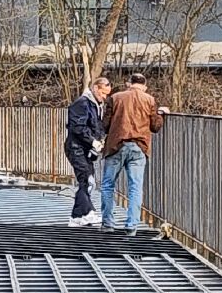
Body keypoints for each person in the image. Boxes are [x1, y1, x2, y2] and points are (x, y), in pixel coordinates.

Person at [100, 72, 167, 232]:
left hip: (116, 145)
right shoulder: (149, 100)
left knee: (108, 185)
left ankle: (108, 223)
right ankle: (132, 225)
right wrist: (161, 114)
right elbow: (155, 127)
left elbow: (105, 125)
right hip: (139, 147)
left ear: (128, 84)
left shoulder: (115, 97)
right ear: (144, 86)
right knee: (135, 187)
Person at [64, 75, 111, 226]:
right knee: (87, 179)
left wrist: (99, 140)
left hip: (83, 148)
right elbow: (77, 127)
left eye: (106, 94)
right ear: (95, 88)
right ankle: (84, 213)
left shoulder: (94, 105)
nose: (104, 97)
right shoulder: (82, 103)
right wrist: (93, 141)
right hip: (77, 147)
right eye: (103, 93)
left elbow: (96, 126)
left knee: (87, 180)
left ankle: (79, 215)